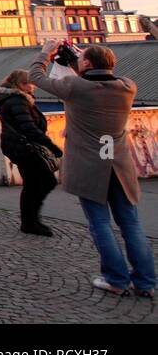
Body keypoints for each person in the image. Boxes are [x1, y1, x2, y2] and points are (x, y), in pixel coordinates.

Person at [29, 40, 154, 297]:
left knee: (100, 223)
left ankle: (116, 279)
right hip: (120, 165)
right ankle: (146, 282)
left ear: (86, 64)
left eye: (82, 57)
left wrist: (46, 52)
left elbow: (35, 76)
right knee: (131, 224)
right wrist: (80, 59)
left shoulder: (76, 87)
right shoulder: (127, 86)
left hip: (89, 166)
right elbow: (96, 80)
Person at [0, 68, 62, 236]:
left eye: (31, 83)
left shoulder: (14, 99)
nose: (31, 87)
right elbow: (28, 127)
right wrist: (52, 146)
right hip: (24, 147)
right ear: (17, 84)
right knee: (44, 181)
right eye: (26, 83)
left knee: (33, 183)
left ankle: (30, 220)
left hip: (19, 147)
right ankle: (30, 222)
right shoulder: (18, 101)